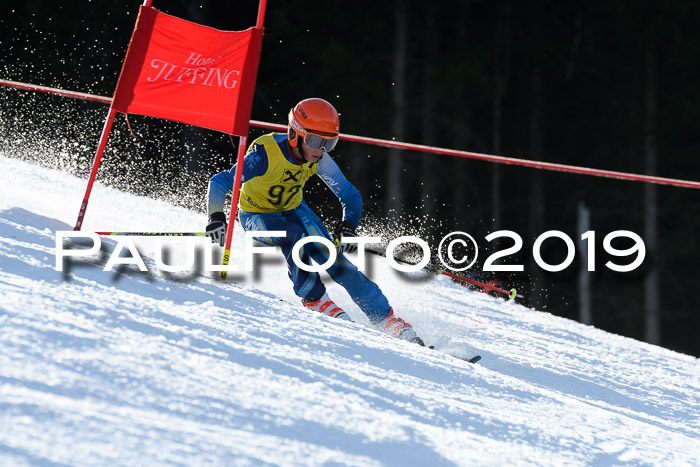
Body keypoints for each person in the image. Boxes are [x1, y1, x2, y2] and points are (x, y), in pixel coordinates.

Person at [205, 97, 424, 345]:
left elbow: (350, 195)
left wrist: (347, 226)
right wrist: (216, 215)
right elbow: (220, 181)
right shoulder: (265, 154)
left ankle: (387, 319)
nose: (320, 149)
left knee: (335, 261)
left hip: (295, 210)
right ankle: (315, 299)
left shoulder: (318, 158)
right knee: (294, 235)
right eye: (315, 141)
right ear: (295, 134)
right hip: (256, 216)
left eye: (329, 143)